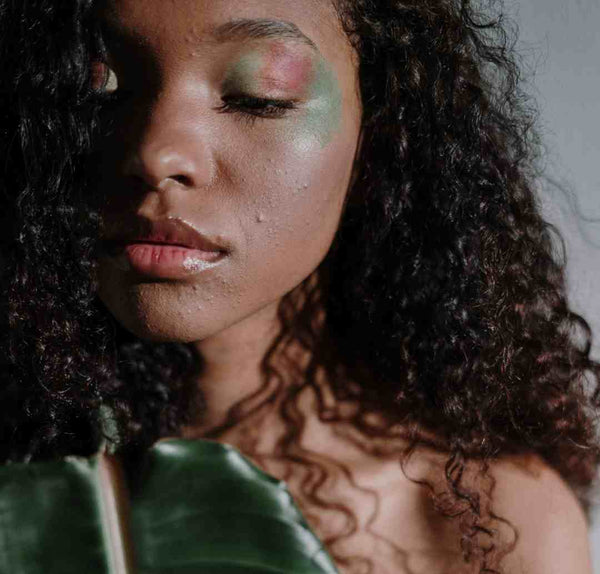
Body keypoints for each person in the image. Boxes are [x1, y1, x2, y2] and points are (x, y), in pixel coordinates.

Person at [1, 0, 598, 572]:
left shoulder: (488, 526)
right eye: (94, 85)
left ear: (384, 132)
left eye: (258, 98)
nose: (157, 153)